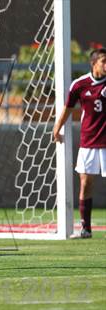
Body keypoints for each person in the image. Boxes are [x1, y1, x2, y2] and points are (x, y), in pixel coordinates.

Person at [53, 47, 106, 239]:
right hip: (89, 141)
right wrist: (56, 128)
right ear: (94, 64)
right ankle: (86, 229)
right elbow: (68, 108)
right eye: (104, 61)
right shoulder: (80, 84)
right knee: (85, 182)